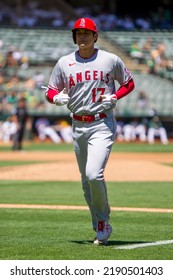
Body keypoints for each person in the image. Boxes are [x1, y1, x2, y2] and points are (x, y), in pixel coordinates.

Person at [44, 17, 135, 245]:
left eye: (87, 33)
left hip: (102, 123)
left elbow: (129, 83)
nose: (82, 37)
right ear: (74, 37)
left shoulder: (109, 59)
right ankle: (98, 225)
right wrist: (55, 98)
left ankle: (104, 221)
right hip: (77, 124)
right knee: (86, 180)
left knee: (94, 173)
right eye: (79, 33)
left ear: (95, 36)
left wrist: (115, 96)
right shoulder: (64, 63)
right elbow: (51, 90)